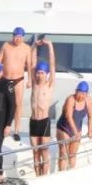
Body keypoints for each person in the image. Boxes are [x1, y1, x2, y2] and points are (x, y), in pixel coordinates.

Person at [0, 27, 34, 141]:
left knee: (18, 104)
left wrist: (30, 80)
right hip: (5, 78)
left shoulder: (26, 48)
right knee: (4, 104)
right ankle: (4, 127)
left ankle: (16, 130)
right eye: (16, 36)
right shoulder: (6, 45)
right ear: (13, 36)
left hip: (19, 79)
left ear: (23, 37)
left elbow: (29, 65)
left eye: (20, 37)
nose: (18, 39)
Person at [28, 38, 56, 176]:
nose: (39, 75)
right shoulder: (34, 84)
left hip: (44, 121)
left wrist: (49, 45)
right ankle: (37, 176)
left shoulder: (49, 84)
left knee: (44, 150)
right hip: (33, 121)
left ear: (46, 75)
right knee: (35, 151)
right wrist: (33, 46)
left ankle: (44, 177)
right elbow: (32, 62)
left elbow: (52, 64)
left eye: (42, 73)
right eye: (38, 72)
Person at [56, 81, 92, 171]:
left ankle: (71, 173)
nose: (80, 96)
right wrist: (75, 132)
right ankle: (61, 175)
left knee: (73, 154)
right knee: (63, 154)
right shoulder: (71, 99)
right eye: (79, 93)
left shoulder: (88, 100)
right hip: (64, 128)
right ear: (75, 91)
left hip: (77, 128)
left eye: (83, 94)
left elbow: (91, 116)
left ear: (87, 94)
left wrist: (90, 130)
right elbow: (68, 116)